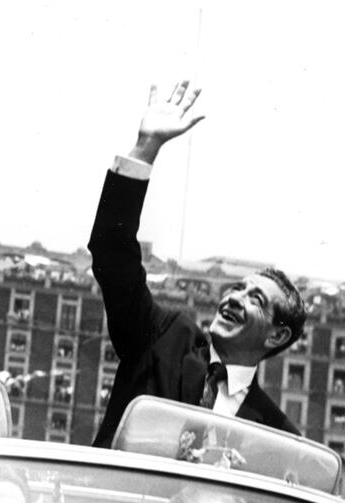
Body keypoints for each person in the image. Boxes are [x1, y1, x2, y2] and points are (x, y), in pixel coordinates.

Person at [88, 81, 306, 448]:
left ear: (276, 336)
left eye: (255, 299)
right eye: (238, 288)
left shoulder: (277, 436)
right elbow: (112, 253)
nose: (235, 297)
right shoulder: (163, 337)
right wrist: (146, 147)